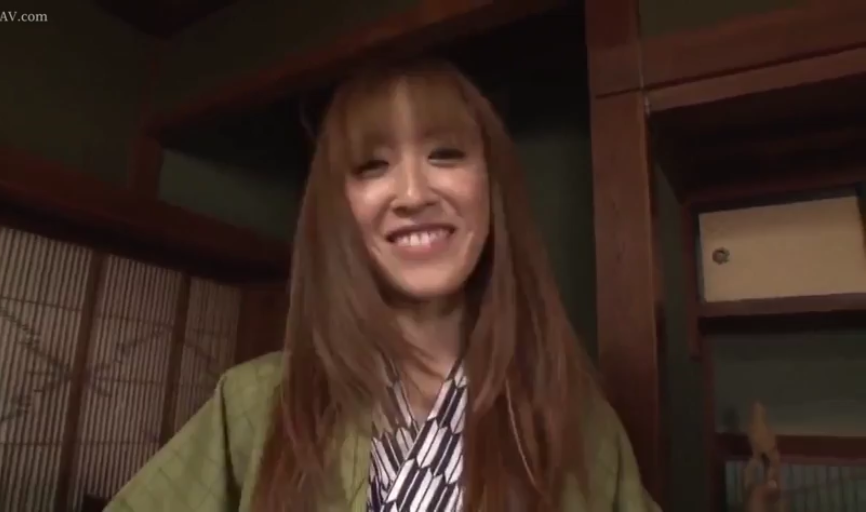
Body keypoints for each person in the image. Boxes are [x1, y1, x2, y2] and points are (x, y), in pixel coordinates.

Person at [104, 60, 660, 512]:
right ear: (338, 208)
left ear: (491, 188)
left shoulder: (578, 423)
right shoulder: (257, 403)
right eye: (372, 166)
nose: (413, 194)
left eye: (445, 154)